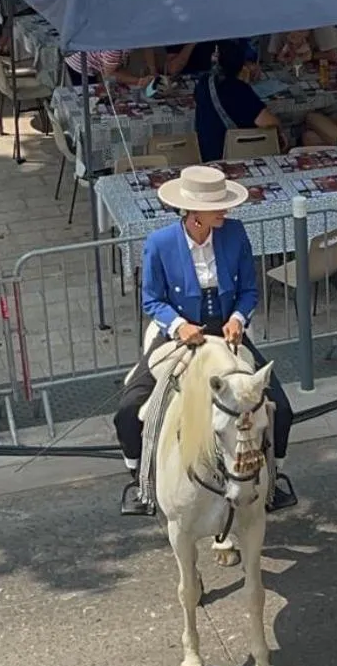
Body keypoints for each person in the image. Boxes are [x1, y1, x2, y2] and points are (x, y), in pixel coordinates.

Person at [114, 165, 295, 516]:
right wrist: (180, 325)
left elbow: (248, 290)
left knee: (282, 409)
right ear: (194, 212)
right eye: (218, 206)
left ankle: (274, 478)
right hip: (181, 336)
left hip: (226, 332)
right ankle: (140, 480)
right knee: (127, 410)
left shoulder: (235, 234)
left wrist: (238, 319)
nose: (225, 211)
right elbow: (152, 299)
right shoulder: (160, 243)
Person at [194, 39, 282, 163]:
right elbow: (267, 122)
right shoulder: (240, 90)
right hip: (232, 155)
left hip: (207, 154)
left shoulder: (203, 83)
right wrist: (281, 130)